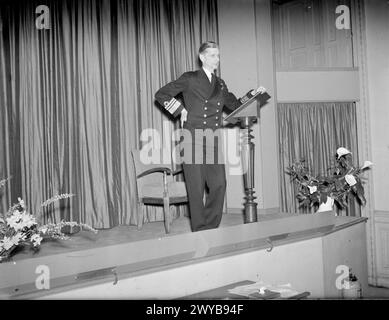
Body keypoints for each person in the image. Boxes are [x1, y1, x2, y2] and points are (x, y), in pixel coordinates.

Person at [155, 41, 266, 232]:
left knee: (219, 185)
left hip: (212, 139)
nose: (217, 59)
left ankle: (210, 225)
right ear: (202, 57)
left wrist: (253, 95)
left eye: (218, 55)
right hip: (192, 137)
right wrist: (180, 110)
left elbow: (235, 104)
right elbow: (161, 94)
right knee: (196, 188)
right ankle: (199, 229)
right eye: (213, 55)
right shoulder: (190, 78)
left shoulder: (220, 84)